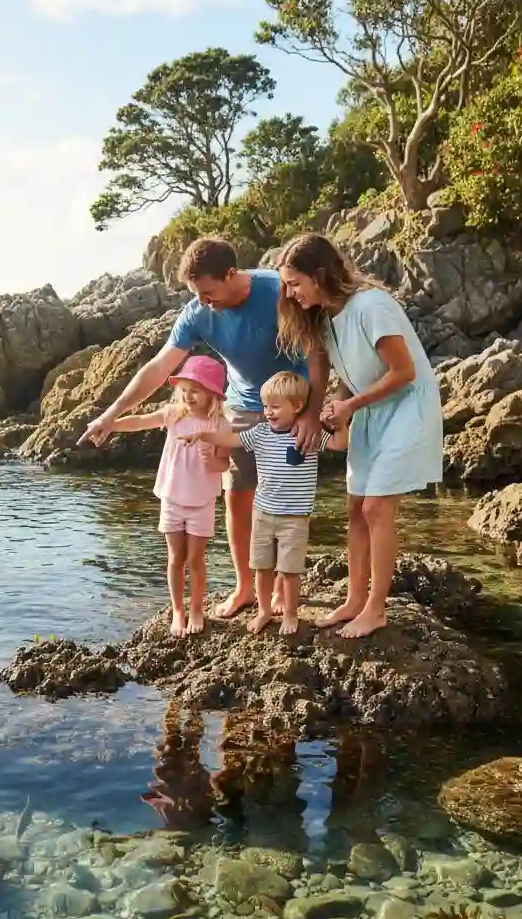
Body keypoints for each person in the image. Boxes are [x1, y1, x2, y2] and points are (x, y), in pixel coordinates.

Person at [79, 237, 329, 620]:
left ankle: (281, 584)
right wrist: (111, 414)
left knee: (284, 497)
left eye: (209, 292)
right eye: (198, 294)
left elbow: (316, 350)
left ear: (232, 274)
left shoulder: (276, 289)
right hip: (244, 407)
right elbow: (160, 368)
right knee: (237, 495)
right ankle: (246, 586)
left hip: (291, 405)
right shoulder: (197, 313)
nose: (205, 301)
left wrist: (311, 412)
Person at [276, 232, 444, 639]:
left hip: (408, 409)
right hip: (370, 412)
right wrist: (335, 407)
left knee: (375, 510)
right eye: (285, 284)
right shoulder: (324, 318)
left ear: (319, 275)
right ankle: (354, 599)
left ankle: (376, 608)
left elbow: (403, 373)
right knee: (354, 509)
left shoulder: (372, 305)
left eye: (294, 283)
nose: (289, 292)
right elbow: (349, 376)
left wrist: (350, 406)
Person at [181, 371, 349, 635]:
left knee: (290, 570)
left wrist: (340, 421)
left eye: (274, 407)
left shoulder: (308, 433)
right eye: (265, 406)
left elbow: (339, 444)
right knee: (261, 566)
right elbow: (230, 439)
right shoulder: (259, 432)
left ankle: (291, 614)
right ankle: (263, 611)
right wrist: (203, 434)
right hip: (262, 513)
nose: (267, 412)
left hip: (294, 516)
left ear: (297, 406)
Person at [106, 355, 231, 637]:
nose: (188, 396)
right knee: (175, 558)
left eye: (196, 390)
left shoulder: (220, 425)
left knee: (196, 560)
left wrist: (212, 460)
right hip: (172, 499)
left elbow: (224, 464)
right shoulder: (173, 414)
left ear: (213, 394)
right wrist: (110, 424)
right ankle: (178, 610)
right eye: (184, 390)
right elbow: (139, 421)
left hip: (202, 502)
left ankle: (197, 608)